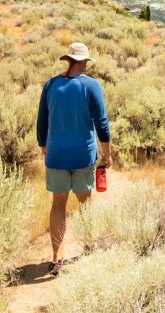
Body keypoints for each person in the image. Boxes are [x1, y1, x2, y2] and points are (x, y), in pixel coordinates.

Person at [36, 42, 111, 276]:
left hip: (57, 155)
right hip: (83, 155)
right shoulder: (90, 85)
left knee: (58, 204)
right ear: (85, 61)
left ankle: (56, 258)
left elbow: (41, 121)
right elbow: (102, 122)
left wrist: (44, 146)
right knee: (84, 201)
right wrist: (107, 153)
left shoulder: (51, 84)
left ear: (68, 60)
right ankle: (90, 247)